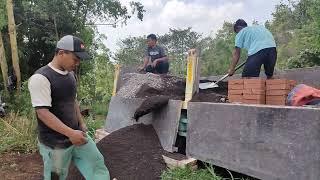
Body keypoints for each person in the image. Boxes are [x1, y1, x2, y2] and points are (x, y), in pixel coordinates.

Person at [28, 35, 110, 180]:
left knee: (96, 164)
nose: (77, 63)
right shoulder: (41, 78)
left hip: (78, 135)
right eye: (75, 58)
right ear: (61, 53)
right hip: (56, 144)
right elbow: (42, 113)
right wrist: (70, 133)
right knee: (57, 176)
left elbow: (73, 100)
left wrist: (81, 123)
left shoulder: (71, 75)